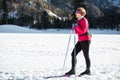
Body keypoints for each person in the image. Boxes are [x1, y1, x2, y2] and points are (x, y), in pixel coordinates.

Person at [65, 7, 91, 76]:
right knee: (73, 53)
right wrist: (74, 28)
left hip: (85, 39)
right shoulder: (79, 20)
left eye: (77, 12)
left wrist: (76, 27)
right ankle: (73, 69)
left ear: (81, 13)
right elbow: (78, 31)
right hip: (80, 40)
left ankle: (88, 70)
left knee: (86, 54)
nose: (76, 13)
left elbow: (83, 31)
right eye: (76, 12)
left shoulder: (84, 20)